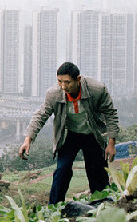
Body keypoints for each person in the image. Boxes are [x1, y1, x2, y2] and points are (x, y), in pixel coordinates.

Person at [18, 62, 119, 205]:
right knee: (62, 169)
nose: (63, 86)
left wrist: (111, 143)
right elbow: (40, 115)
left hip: (92, 134)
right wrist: (28, 139)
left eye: (67, 82)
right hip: (69, 134)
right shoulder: (54, 94)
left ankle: (102, 207)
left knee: (96, 170)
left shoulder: (97, 90)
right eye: (59, 81)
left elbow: (110, 114)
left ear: (78, 79)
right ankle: (54, 208)